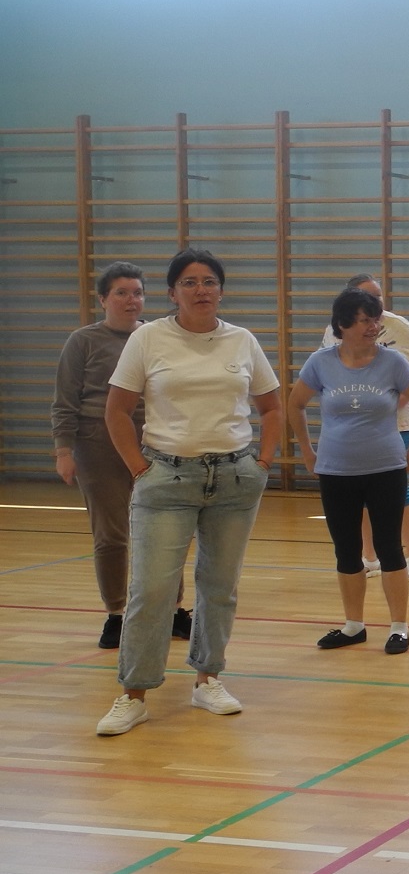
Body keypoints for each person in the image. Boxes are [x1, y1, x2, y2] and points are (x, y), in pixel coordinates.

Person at [93, 249, 281, 737]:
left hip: (235, 479)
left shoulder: (242, 340)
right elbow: (117, 411)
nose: (201, 290)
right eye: (190, 282)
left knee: (219, 586)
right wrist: (140, 468)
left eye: (210, 281)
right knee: (152, 589)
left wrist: (262, 463)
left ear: (221, 290)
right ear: (173, 292)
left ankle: (208, 678)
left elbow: (272, 407)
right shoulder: (148, 338)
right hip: (166, 478)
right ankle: (134, 693)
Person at [51, 262, 188, 649]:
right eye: (122, 293)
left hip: (154, 442)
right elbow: (65, 401)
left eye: (138, 293)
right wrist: (64, 450)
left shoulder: (157, 336)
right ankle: (115, 613)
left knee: (165, 530)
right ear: (103, 299)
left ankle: (174, 610)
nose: (132, 300)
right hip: (98, 446)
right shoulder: (83, 341)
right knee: (111, 534)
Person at [291, 288, 409, 655]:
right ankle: (353, 625)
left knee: (389, 548)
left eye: (375, 320)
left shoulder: (393, 362)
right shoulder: (321, 363)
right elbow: (295, 404)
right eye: (365, 320)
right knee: (346, 549)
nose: (373, 327)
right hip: (336, 471)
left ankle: (399, 627)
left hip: (386, 469)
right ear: (342, 325)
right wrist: (307, 451)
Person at [320, 274, 409, 580]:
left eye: (379, 296)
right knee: (357, 492)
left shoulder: (396, 325)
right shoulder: (334, 331)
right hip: (354, 426)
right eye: (368, 296)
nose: (377, 302)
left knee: (400, 492)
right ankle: (369, 556)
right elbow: (326, 372)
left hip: (394, 424)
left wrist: (401, 396)